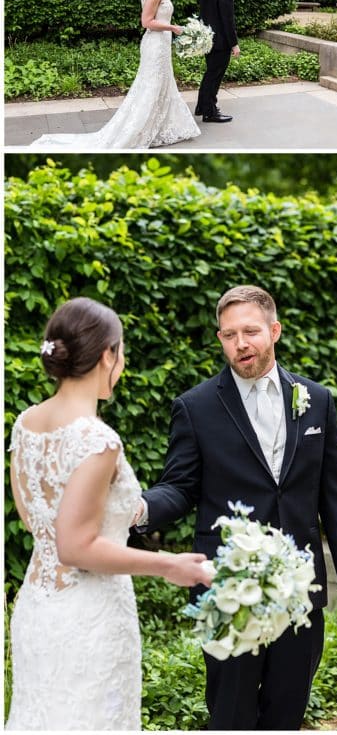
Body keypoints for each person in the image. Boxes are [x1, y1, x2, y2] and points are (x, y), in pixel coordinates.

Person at [136, 285, 337, 730]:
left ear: (274, 331)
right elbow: (180, 488)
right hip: (228, 592)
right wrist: (138, 508)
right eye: (228, 335)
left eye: (250, 331)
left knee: (287, 711)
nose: (240, 344)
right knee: (232, 715)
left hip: (300, 592)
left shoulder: (316, 399)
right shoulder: (196, 406)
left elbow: (335, 495)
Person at [6, 298, 212, 730]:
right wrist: (167, 564)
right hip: (90, 616)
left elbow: (36, 520)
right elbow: (76, 545)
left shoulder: (26, 424)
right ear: (107, 355)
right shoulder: (97, 439)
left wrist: (121, 512)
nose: (121, 365)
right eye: (121, 354)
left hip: (39, 608)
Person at [30, 0, 211, 149]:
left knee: (162, 85)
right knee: (151, 86)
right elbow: (146, 22)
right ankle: (138, 130)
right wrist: (173, 27)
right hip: (156, 44)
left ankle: (160, 127)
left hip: (160, 44)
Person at [195, 0, 240, 123]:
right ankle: (210, 112)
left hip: (207, 38)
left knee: (210, 74)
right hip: (220, 41)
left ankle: (203, 107)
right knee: (214, 76)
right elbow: (227, 19)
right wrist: (234, 44)